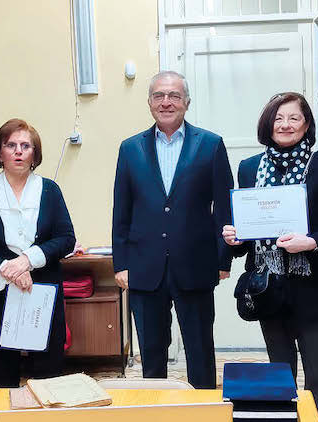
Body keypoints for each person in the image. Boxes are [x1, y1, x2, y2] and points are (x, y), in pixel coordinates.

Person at [222, 92, 318, 421]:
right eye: (278, 118)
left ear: (306, 124)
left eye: (294, 118)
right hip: (268, 290)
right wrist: (235, 238)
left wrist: (310, 242)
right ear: (268, 125)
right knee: (280, 376)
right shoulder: (250, 168)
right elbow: (247, 236)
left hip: (312, 289)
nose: (285, 124)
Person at [112, 70, 234, 389]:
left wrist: (223, 260)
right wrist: (121, 263)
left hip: (195, 265)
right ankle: (158, 410)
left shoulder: (210, 145)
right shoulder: (130, 149)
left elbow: (225, 207)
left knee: (200, 350)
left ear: (187, 102)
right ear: (150, 102)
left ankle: (202, 409)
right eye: (159, 96)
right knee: (151, 353)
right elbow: (121, 212)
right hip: (143, 268)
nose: (166, 102)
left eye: (174, 96)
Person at [0, 118, 75, 387]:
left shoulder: (50, 190)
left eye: (26, 145)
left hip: (42, 290)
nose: (19, 151)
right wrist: (6, 268)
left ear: (35, 154)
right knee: (4, 373)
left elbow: (66, 239)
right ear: (0, 153)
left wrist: (27, 260)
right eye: (11, 145)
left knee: (48, 373)